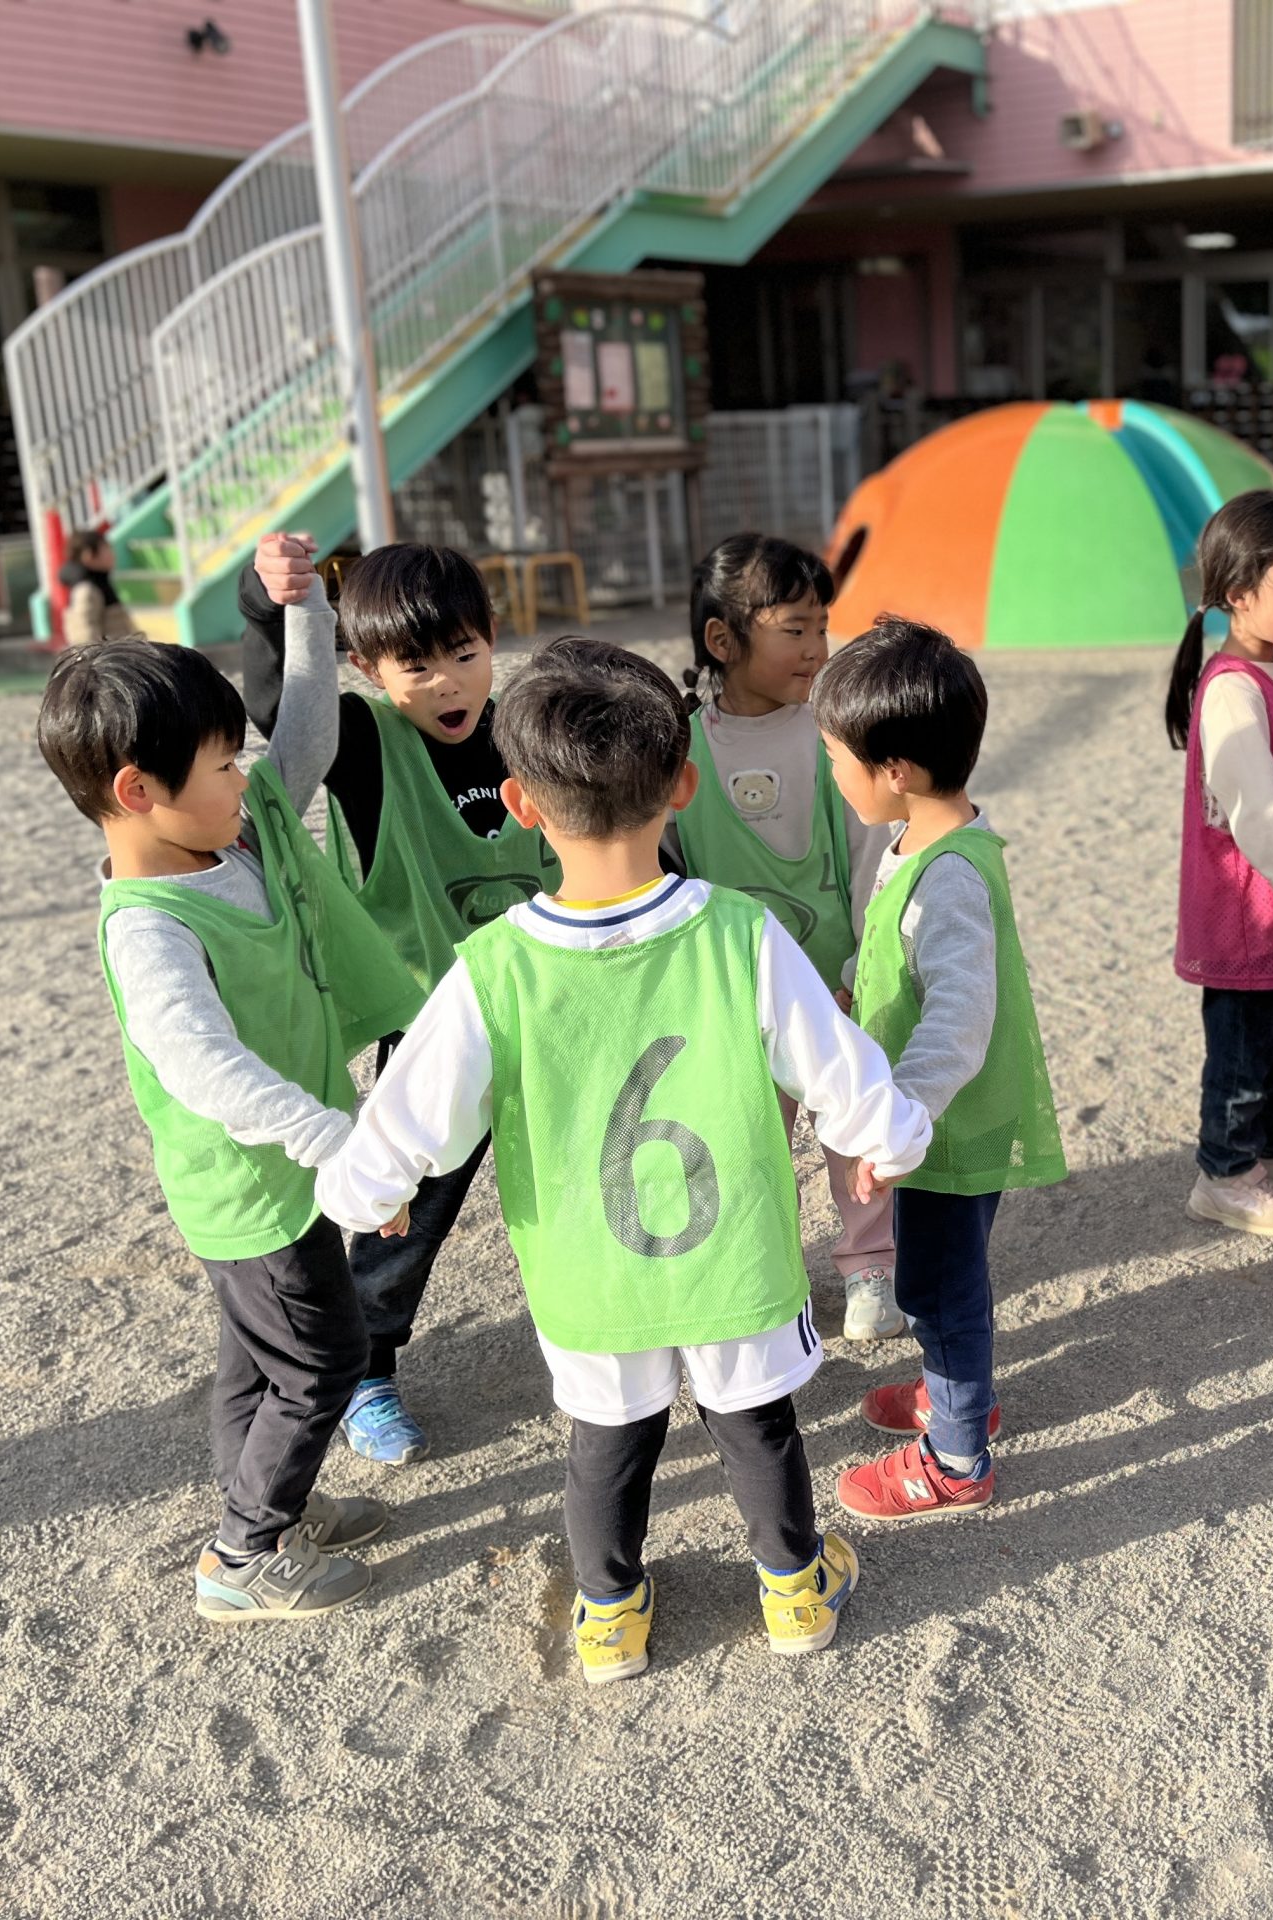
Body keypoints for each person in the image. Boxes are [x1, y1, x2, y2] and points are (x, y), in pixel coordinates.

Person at [316, 638, 928, 1682]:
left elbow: (410, 1111)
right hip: (733, 1259)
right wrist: (888, 1141)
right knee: (758, 1424)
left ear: (520, 803)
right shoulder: (738, 931)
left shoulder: (495, 966)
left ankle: (609, 1611)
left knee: (606, 1439)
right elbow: (839, 1064)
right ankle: (793, 1590)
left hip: (587, 1273)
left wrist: (367, 1193)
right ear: (683, 786)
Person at [37, 625, 421, 1622]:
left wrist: (304, 612)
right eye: (221, 766)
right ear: (138, 792)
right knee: (323, 1360)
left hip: (276, 1175)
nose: (246, 781)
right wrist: (333, 1139)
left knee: (256, 1361)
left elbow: (306, 738)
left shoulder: (234, 834)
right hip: (254, 1190)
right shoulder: (152, 927)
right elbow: (200, 1065)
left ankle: (270, 1506)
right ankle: (244, 1552)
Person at [251, 533, 560, 1469]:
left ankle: (632, 1328)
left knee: (592, 1176)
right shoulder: (364, 746)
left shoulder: (529, 728)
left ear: (493, 636)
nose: (447, 683)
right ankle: (366, 1369)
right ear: (367, 668)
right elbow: (281, 707)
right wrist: (272, 605)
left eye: (464, 653)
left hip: (553, 1009)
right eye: (416, 666)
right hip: (431, 1027)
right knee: (407, 1208)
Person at [811, 617, 1067, 1521]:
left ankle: (956, 1457)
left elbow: (960, 1015)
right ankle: (958, 1394)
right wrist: (856, 981)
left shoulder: (949, 873)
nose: (831, 773)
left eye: (835, 757)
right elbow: (902, 950)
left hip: (943, 1125)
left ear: (895, 772)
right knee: (943, 1277)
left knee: (939, 1288)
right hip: (938, 1120)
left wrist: (899, 1120)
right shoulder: (920, 842)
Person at [668, 533, 902, 1344]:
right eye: (794, 629)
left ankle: (870, 1265)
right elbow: (668, 869)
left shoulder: (830, 735)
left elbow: (871, 857)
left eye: (821, 627)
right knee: (746, 1139)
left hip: (833, 985)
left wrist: (861, 964)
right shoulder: (680, 746)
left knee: (852, 1127)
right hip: (731, 995)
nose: (816, 648)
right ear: (722, 639)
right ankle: (764, 1268)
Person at [1166, 490, 1273, 1238]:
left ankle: (1271, 1146)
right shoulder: (1234, 689)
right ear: (1238, 594)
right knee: (1241, 1055)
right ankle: (1225, 1172)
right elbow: (1260, 814)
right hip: (1252, 913)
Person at [59, 528, 126, 647]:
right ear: (88, 555)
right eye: (106, 549)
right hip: (111, 655)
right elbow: (85, 634)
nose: (112, 554)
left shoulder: (99, 582)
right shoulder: (87, 590)